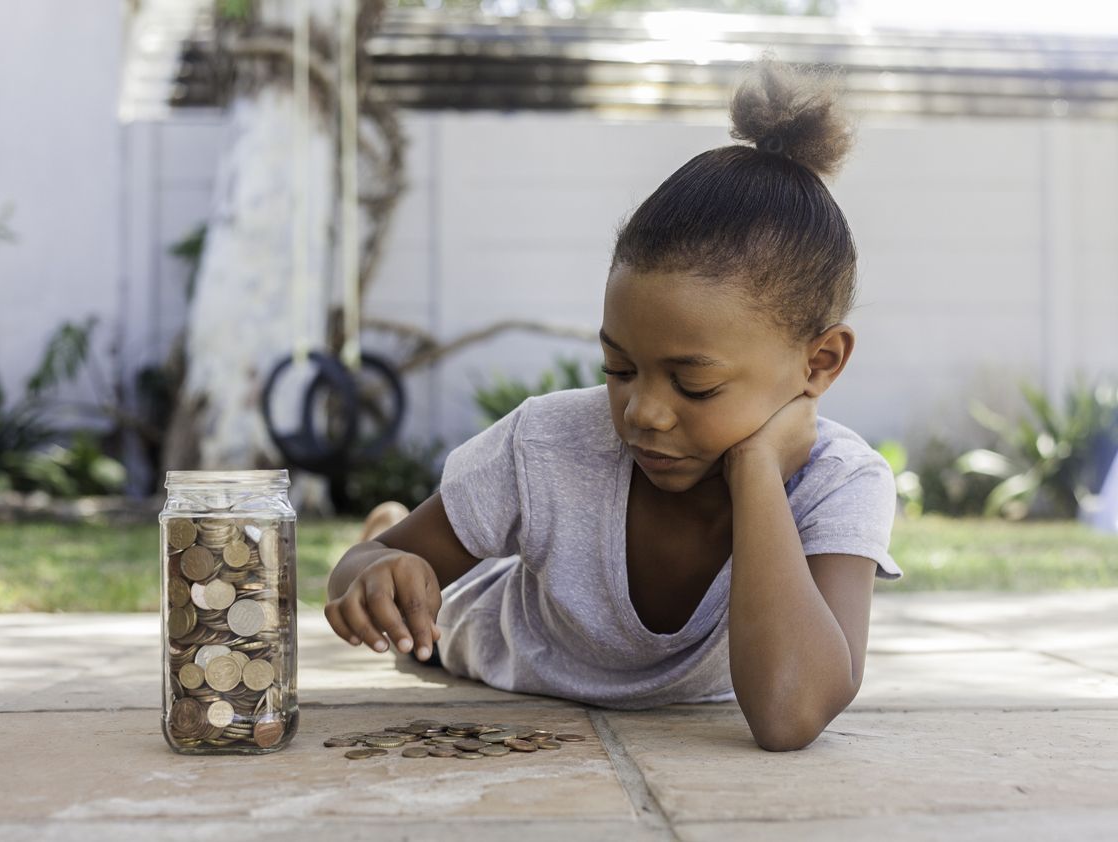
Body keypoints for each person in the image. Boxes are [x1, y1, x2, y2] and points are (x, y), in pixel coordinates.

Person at [323, 50, 903, 752]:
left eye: (695, 384)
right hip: (475, 630)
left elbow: (788, 714)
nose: (642, 413)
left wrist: (756, 471)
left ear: (821, 363)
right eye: (618, 367)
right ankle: (391, 519)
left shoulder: (842, 483)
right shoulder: (546, 445)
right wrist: (379, 569)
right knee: (422, 585)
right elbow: (363, 571)